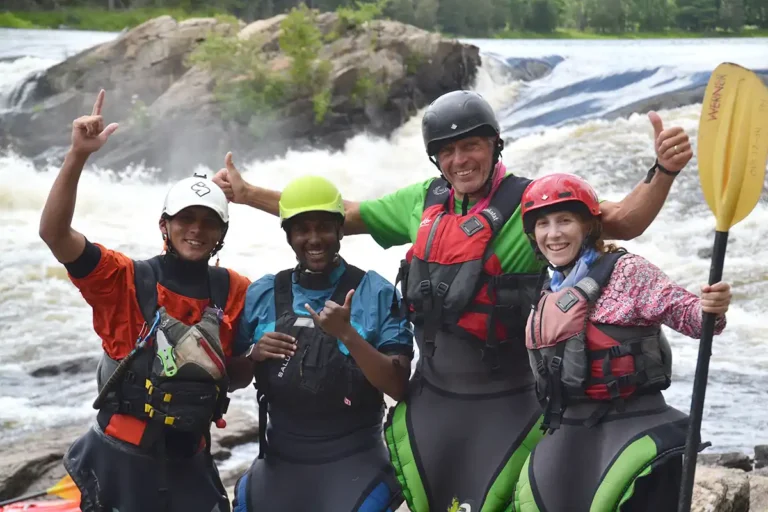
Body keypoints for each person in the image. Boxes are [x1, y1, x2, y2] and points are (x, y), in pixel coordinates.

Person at [213, 89, 694, 511]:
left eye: (472, 146)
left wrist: (664, 170)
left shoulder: (535, 205)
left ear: (494, 146)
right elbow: (339, 215)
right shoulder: (422, 201)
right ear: (436, 160)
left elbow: (624, 221)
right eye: (448, 151)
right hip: (433, 401)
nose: (460, 159)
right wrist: (248, 193)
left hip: (511, 401)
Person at [38, 90, 251, 512]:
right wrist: (78, 156)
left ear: (221, 234)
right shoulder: (122, 279)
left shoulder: (235, 290)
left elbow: (234, 376)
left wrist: (257, 357)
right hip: (121, 461)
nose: (196, 229)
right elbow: (54, 234)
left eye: (208, 222)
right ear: (164, 225)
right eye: (186, 219)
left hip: (190, 458)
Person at [514, 173, 732, 512]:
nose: (553, 234)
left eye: (565, 221)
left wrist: (711, 308)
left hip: (634, 423)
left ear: (588, 226)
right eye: (543, 224)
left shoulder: (628, 272)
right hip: (570, 428)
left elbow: (693, 319)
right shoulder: (547, 285)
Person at [229, 175, 414, 512]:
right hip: (281, 459)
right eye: (302, 229)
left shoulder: (376, 292)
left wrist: (348, 336)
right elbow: (231, 378)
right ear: (288, 235)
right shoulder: (264, 293)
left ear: (341, 230)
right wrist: (254, 356)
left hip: (355, 459)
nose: (314, 239)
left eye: (325, 228)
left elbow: (399, 386)